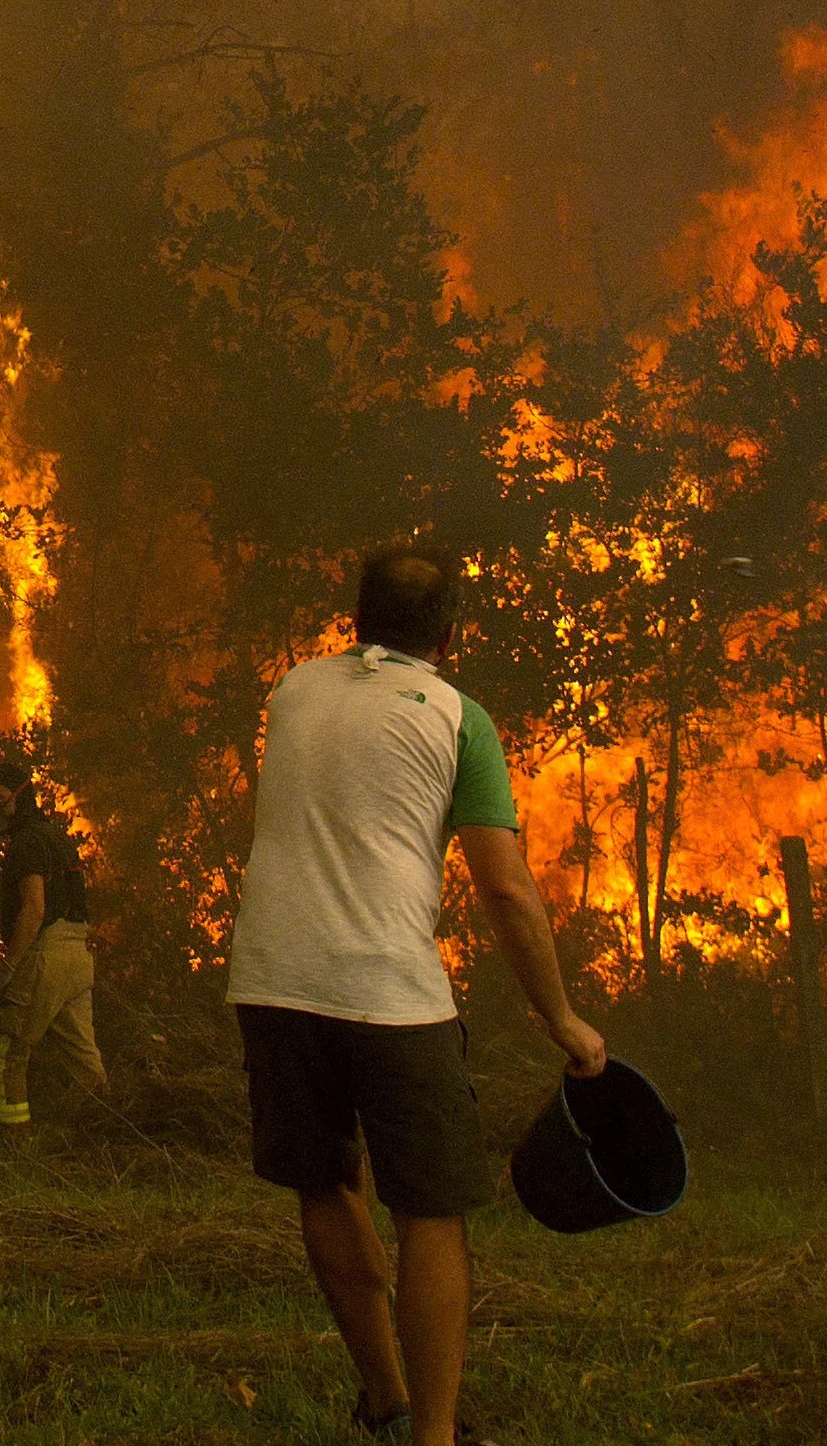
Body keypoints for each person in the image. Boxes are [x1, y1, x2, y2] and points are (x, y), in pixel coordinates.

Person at [230, 546, 607, 1446]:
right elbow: (507, 887)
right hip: (390, 991)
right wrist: (561, 1018)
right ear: (452, 634)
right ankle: (433, 1437)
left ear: (353, 621)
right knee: (431, 1212)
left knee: (323, 1184)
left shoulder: (291, 692)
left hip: (273, 978)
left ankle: (388, 1403)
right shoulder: (458, 719)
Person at [0, 753, 107, 1139]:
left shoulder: (26, 843)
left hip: (46, 954)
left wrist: (9, 967)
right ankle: (86, 1139)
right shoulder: (58, 837)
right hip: (78, 957)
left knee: (11, 1056)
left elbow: (34, 908)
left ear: (21, 797)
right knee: (87, 1066)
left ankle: (14, 1153)